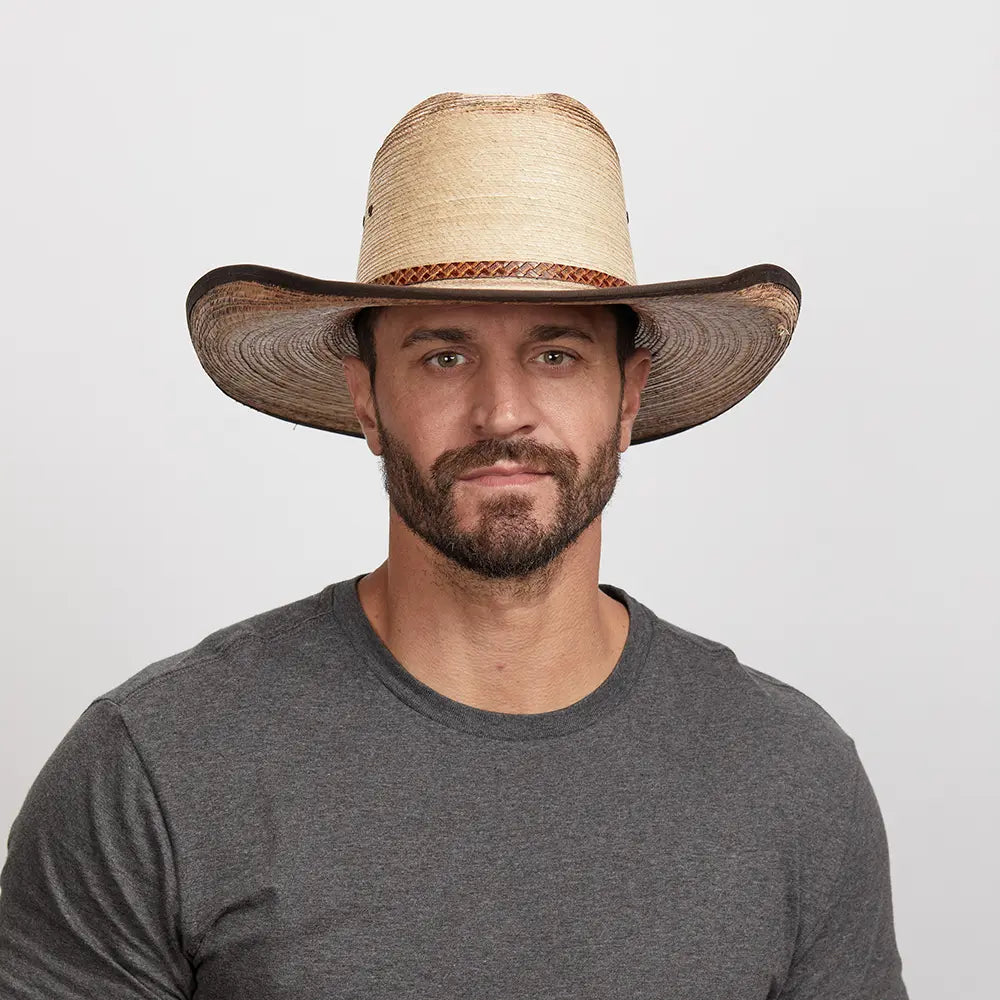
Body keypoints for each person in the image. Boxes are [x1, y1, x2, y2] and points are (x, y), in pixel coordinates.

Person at [0, 92, 908, 998]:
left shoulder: (792, 776)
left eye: (557, 354)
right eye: (445, 355)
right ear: (366, 398)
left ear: (628, 398)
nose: (502, 412)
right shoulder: (157, 765)